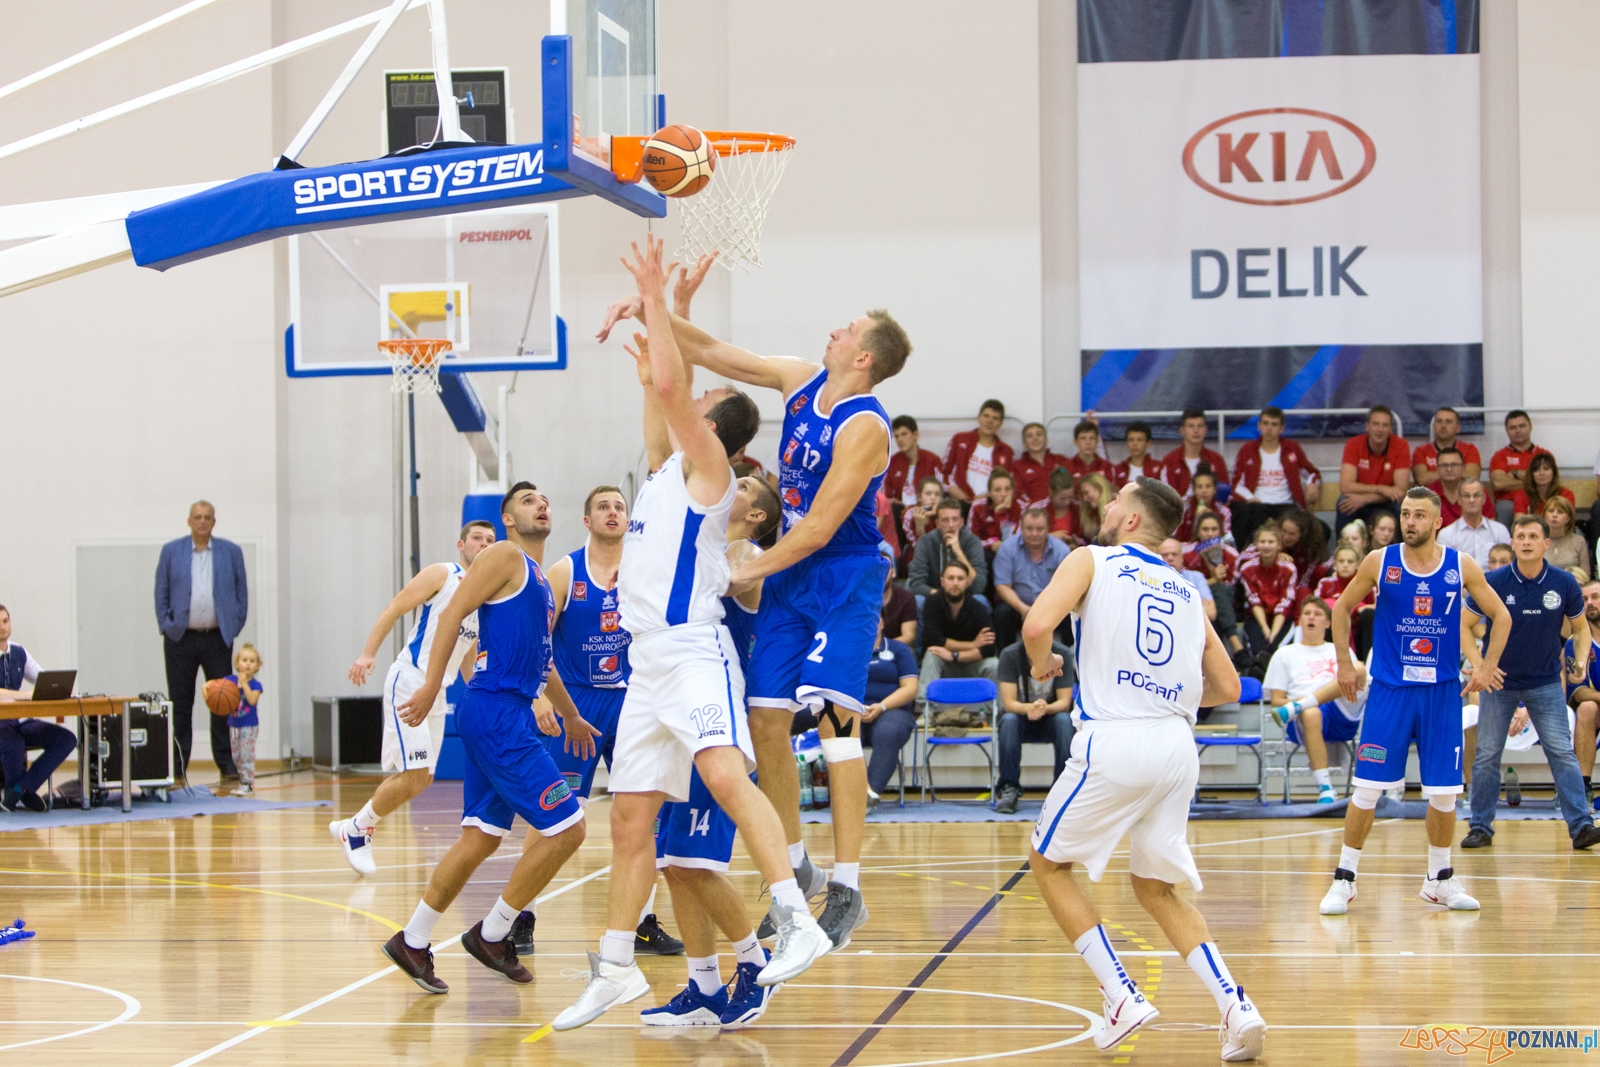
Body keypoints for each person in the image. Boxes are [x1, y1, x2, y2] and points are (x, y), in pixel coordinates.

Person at [557, 237, 831, 1030]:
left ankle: (795, 917)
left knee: (724, 774)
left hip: (692, 650)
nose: (689, 393)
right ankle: (616, 965)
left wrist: (653, 298)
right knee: (629, 817)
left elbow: (675, 388)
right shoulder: (663, 474)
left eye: (701, 396)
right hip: (646, 665)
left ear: (715, 424)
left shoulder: (712, 468)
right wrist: (665, 325)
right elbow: (661, 396)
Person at [1021, 477, 1266, 1059]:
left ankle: (1120, 994)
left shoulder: (1091, 559)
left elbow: (1034, 626)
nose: (1107, 507)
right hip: (1176, 746)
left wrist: (1041, 663)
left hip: (1116, 739)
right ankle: (1237, 1007)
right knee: (1157, 888)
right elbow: (1229, 687)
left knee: (1048, 864)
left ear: (1130, 519)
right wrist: (1168, 694)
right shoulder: (1186, 590)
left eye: (1115, 501)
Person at [380, 483, 595, 996]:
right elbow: (451, 614)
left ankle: (413, 940)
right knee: (569, 828)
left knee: (481, 837)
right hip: (497, 712)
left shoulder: (538, 579)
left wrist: (572, 716)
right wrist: (432, 684)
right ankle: (494, 933)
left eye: (544, 499)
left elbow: (544, 663)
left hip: (503, 712)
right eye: (528, 500)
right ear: (508, 519)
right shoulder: (503, 555)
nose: (541, 503)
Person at [635, 338, 787, 1030]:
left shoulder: (743, 553)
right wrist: (650, 382)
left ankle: (754, 962)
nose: (734, 489)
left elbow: (727, 576)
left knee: (695, 862)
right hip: (675, 702)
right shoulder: (686, 521)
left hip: (713, 709)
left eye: (746, 490)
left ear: (753, 514)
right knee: (673, 861)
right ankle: (702, 985)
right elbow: (659, 452)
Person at [1319, 486, 1511, 917]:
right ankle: (1344, 879)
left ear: (1438, 522)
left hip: (1441, 693)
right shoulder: (1380, 561)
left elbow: (1502, 615)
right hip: (1390, 690)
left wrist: (1485, 666)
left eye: (1419, 515)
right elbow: (1341, 609)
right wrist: (1344, 664)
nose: (1410, 522)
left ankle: (1439, 879)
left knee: (1444, 794)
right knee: (1367, 789)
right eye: (1406, 514)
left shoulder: (1460, 565)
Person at [536, 484, 689, 957]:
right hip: (576, 704)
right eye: (603, 506)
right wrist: (540, 697)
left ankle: (642, 922)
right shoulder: (565, 571)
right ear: (587, 520)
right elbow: (537, 639)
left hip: (633, 701)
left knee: (644, 815)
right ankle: (522, 917)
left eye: (620, 507)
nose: (612, 512)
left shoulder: (643, 568)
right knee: (551, 813)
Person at [334, 521, 495, 874]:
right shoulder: (443, 574)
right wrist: (368, 653)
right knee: (416, 772)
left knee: (421, 778)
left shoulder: (482, 598)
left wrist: (479, 697)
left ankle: (354, 826)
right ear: (461, 545)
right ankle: (358, 829)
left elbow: (467, 655)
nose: (484, 544)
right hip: (410, 680)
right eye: (477, 538)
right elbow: (395, 606)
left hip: (436, 691)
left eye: (490, 540)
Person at [1459, 515, 1600, 851]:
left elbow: (1581, 629)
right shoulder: (1493, 580)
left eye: (1533, 536)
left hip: (1546, 683)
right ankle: (1480, 827)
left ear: (1546, 543)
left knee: (1561, 753)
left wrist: (1580, 661)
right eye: (1520, 536)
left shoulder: (1564, 582)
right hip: (1499, 684)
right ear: (1513, 542)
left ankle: (1581, 826)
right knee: (1487, 755)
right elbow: (1462, 625)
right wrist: (1481, 666)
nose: (1525, 542)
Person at [154, 500, 247, 785]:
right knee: (181, 704)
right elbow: (161, 592)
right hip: (180, 640)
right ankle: (178, 766)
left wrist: (233, 625)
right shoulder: (171, 551)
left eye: (207, 517)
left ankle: (226, 764)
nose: (202, 521)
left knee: (222, 703)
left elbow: (241, 594)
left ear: (214, 522)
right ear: (189, 521)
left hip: (217, 640)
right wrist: (167, 625)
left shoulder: (231, 552)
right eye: (197, 517)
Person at [1265, 599, 1368, 804]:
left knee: (1358, 668)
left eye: (1318, 614)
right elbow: (1276, 700)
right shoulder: (1284, 654)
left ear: (1328, 623)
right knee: (1311, 712)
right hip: (1303, 720)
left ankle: (1303, 704)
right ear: (1300, 620)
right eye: (1307, 613)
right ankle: (1326, 788)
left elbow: (1355, 681)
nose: (1311, 617)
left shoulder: (1339, 649)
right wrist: (1308, 704)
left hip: (1340, 710)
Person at [0, 605, 77, 812]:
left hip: (17, 722)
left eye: (5, 621)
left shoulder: (18, 652)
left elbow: (43, 678)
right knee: (13, 743)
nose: (2, 627)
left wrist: (61, 689)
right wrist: (24, 695)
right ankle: (18, 792)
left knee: (66, 739)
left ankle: (20, 789)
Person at [992, 636, 1074, 815]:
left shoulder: (1062, 655)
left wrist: (1044, 708)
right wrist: (1029, 708)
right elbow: (1009, 704)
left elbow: (1064, 703)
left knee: (1065, 720)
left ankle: (1062, 790)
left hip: (1050, 717)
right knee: (1008, 720)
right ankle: (1009, 788)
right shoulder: (1010, 655)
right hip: (1021, 718)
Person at [1231, 406, 1320, 547]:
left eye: (1274, 424)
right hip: (1258, 504)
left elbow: (1313, 473)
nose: (1269, 428)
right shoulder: (1247, 450)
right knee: (1250, 512)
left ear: (1281, 428)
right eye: (1265, 423)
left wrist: (1312, 484)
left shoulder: (1292, 448)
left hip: (1285, 505)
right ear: (1259, 426)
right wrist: (1250, 498)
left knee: (1320, 530)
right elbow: (1236, 484)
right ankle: (1245, 555)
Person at [858, 618, 919, 814]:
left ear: (882, 623)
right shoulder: (848, 648)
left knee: (888, 732)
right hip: (853, 710)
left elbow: (910, 688)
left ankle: (868, 796)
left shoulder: (899, 650)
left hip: (892, 710)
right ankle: (858, 792)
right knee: (841, 732)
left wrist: (881, 706)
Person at [993, 508, 1071, 651]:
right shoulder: (1007, 548)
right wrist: (1023, 609)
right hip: (1019, 608)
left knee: (1071, 613)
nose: (1034, 534)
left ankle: (1069, 658)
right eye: (1029, 529)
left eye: (1039, 529)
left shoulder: (1062, 551)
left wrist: (1049, 610)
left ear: (1048, 528)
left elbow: (1067, 588)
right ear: (1021, 528)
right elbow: (1002, 585)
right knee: (1002, 612)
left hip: (1053, 609)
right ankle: (1005, 658)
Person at [918, 562, 999, 700]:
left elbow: (988, 649)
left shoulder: (979, 608)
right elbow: (933, 639)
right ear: (942, 582)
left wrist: (954, 655)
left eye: (960, 579)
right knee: (932, 654)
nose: (955, 583)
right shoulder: (932, 603)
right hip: (944, 664)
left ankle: (995, 710)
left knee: (994, 664)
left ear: (967, 583)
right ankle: (925, 707)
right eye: (951, 578)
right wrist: (973, 645)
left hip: (971, 664)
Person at [1337, 405, 1411, 528]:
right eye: (1375, 424)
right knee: (1344, 502)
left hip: (1386, 502)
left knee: (1400, 506)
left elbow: (1400, 491)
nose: (1380, 429)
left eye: (1385, 425)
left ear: (1390, 428)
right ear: (1367, 426)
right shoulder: (1353, 444)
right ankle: (1345, 541)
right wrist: (1381, 489)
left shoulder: (1401, 445)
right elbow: (1345, 486)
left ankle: (1397, 542)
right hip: (1363, 500)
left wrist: (1366, 499)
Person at [1237, 522, 1299, 667]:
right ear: (1256, 544)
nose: (1266, 546)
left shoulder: (1289, 569)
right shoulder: (1247, 568)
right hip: (1257, 618)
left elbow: (1285, 603)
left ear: (1279, 545)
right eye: (1262, 541)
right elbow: (1254, 600)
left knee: (1277, 651)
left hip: (1282, 618)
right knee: (1258, 652)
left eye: (1271, 542)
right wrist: (1265, 629)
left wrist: (1273, 634)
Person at [1184, 513, 1245, 661]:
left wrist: (1217, 580)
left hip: (1222, 604)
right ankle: (1237, 648)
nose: (1210, 534)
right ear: (1198, 532)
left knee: (1219, 592)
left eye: (1214, 529)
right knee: (1216, 591)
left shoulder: (1231, 554)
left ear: (1221, 532)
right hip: (1195, 601)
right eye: (1205, 529)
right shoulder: (1185, 553)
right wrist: (1213, 580)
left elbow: (1229, 590)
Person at [1564, 579, 1600, 806]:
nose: (1590, 603)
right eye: (1585, 599)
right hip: (1596, 712)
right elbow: (1579, 693)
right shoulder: (1575, 643)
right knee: (1587, 708)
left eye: (1595, 597)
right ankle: (1583, 785)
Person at [908, 497, 986, 597]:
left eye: (955, 519)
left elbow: (979, 586)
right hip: (934, 595)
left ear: (962, 522)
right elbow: (916, 584)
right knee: (918, 599)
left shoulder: (972, 541)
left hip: (964, 597)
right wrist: (943, 597)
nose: (951, 525)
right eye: (945, 520)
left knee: (980, 599)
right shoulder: (925, 542)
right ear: (937, 523)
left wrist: (958, 552)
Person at [1489, 410, 1553, 526]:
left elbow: (1550, 481)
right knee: (1504, 507)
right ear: (1507, 430)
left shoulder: (1543, 454)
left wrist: (1514, 474)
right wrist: (1533, 480)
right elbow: (1498, 483)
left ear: (1530, 427)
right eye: (1512, 427)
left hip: (1538, 501)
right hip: (1510, 504)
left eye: (1522, 426)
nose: (1518, 430)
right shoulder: (1500, 456)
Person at [942, 399, 1014, 502]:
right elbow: (943, 472)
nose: (989, 421)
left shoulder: (1006, 452)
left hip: (987, 506)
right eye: (986, 416)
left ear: (1000, 423)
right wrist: (956, 492)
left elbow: (1007, 485)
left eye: (995, 418)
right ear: (978, 417)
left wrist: (988, 496)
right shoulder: (960, 439)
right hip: (958, 504)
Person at [1317, 544, 1376, 658]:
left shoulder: (1368, 587)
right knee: (1326, 612)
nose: (1345, 565)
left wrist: (1360, 609)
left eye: (1350, 561)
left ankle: (1366, 660)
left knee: (1368, 614)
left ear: (1358, 564)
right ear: (1335, 564)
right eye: (1341, 561)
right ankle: (1327, 657)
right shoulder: (1325, 583)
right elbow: (1316, 606)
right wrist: (1355, 607)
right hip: (1332, 630)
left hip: (1359, 633)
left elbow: (1377, 609)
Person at [1438, 479, 1510, 568]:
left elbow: (1508, 566)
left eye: (1476, 495)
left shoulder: (1500, 531)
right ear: (1459, 499)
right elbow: (1446, 569)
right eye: (1466, 496)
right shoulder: (1446, 535)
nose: (1471, 500)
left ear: (1484, 499)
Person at [1162, 409, 1230, 500]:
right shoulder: (1170, 461)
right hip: (1181, 508)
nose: (1196, 430)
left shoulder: (1217, 460)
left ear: (1205, 430)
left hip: (1210, 508)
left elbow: (1225, 496)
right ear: (1182, 430)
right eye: (1191, 426)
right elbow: (1166, 498)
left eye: (1200, 426)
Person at [224, 644, 263, 797]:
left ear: (257, 666)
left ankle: (248, 783)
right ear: (237, 663)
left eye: (252, 661)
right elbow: (215, 688)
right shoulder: (230, 680)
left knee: (246, 755)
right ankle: (242, 781)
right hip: (234, 724)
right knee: (236, 756)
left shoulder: (255, 685)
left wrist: (244, 684)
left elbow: (252, 700)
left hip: (249, 725)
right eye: (244, 660)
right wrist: (206, 688)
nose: (248, 663)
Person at [1412, 407, 1482, 487]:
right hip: (1431, 494)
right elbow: (1421, 479)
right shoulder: (1421, 451)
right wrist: (1457, 473)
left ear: (1457, 428)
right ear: (1434, 427)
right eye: (1439, 421)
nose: (1443, 425)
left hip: (1460, 494)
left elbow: (1472, 477)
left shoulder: (1470, 449)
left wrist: (1433, 475)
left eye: (1448, 422)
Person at [884, 415, 941, 508]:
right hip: (899, 511)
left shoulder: (932, 460)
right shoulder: (892, 462)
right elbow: (887, 495)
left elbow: (939, 492)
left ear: (915, 435)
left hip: (926, 510)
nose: (900, 440)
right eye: (896, 436)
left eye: (904, 434)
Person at [1012, 422, 1070, 508]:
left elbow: (1070, 477)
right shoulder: (1017, 467)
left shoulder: (1060, 461)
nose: (1035, 438)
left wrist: (1061, 470)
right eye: (1029, 436)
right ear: (1024, 443)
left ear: (1046, 440)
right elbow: (1018, 495)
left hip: (1060, 510)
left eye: (1039, 434)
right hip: (1034, 513)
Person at [1160, 537, 1216, 624]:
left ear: (1182, 557)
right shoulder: (1150, 579)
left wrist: (1171, 609)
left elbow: (1211, 612)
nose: (1170, 558)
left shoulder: (1196, 577)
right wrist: (1195, 605)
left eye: (1175, 554)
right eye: (1165, 555)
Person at [1174, 465, 1232, 543]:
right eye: (1199, 487)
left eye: (1208, 486)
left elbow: (1228, 543)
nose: (1204, 491)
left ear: (1214, 489)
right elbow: (1173, 539)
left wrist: (1212, 518)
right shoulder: (1183, 510)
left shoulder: (1224, 512)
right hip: (1186, 548)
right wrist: (1196, 520)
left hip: (1215, 548)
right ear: (1194, 490)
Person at [968, 469, 1022, 551]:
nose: (1003, 494)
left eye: (1007, 489)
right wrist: (991, 544)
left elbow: (1013, 541)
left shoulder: (1018, 508)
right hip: (984, 552)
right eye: (998, 490)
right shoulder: (978, 507)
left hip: (1009, 553)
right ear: (989, 493)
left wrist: (1000, 512)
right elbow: (971, 542)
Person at [899, 475, 945, 574]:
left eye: (937, 494)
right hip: (918, 559)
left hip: (942, 557)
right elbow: (920, 550)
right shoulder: (910, 515)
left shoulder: (946, 514)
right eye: (928, 494)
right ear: (919, 497)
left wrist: (936, 515)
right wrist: (920, 528)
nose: (933, 498)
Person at [1511, 452, 1571, 518]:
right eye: (1537, 469)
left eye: (1546, 468)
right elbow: (1519, 522)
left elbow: (1565, 522)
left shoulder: (1565, 494)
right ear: (1532, 474)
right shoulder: (1522, 495)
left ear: (1554, 472)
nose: (1541, 473)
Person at [1544, 497, 1590, 577]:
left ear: (1568, 518)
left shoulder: (1579, 541)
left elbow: (1585, 575)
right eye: (1551, 511)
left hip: (1572, 583)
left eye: (1560, 512)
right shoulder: (1535, 541)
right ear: (1544, 515)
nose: (1554, 515)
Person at [1064, 419, 1115, 486]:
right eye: (1083, 438)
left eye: (1092, 438)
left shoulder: (1107, 467)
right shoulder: (1067, 467)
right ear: (1075, 442)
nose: (1088, 443)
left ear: (1097, 441)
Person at [1112, 420, 1163, 487]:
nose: (1135, 444)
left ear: (1148, 443)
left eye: (1139, 440)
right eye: (1131, 440)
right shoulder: (1118, 469)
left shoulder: (1159, 467)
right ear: (1127, 443)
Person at [1076, 472, 1116, 547]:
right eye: (1082, 495)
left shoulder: (1115, 508)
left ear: (1099, 488)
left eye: (1086, 493)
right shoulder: (1091, 514)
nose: (1084, 499)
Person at [881, 567, 918, 646]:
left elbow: (909, 636)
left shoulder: (906, 598)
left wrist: (883, 646)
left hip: (896, 648)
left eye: (885, 568)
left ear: (893, 572)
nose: (881, 573)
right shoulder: (860, 598)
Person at [1045, 468, 1083, 544]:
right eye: (1062, 498)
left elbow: (1085, 540)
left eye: (1070, 497)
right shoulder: (1039, 508)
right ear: (1051, 493)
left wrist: (1075, 543)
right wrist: (1050, 537)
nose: (1067, 502)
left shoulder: (1078, 509)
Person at [1432, 447, 1467, 528]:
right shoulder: (1427, 495)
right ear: (1437, 469)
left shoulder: (1476, 491)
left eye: (1454, 465)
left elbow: (1489, 525)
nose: (1449, 469)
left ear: (1463, 468)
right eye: (1444, 465)